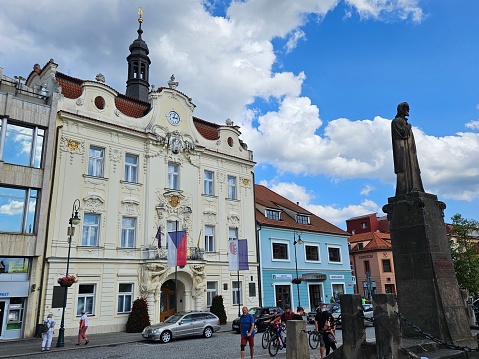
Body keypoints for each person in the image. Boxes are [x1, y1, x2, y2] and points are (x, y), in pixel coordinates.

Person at [391, 102, 424, 196]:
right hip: (402, 150)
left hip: (410, 150)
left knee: (413, 169)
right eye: (406, 108)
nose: (408, 110)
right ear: (401, 109)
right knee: (404, 169)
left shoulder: (406, 122)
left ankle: (415, 186)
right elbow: (402, 133)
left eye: (408, 108)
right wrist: (408, 127)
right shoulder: (396, 121)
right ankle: (404, 190)